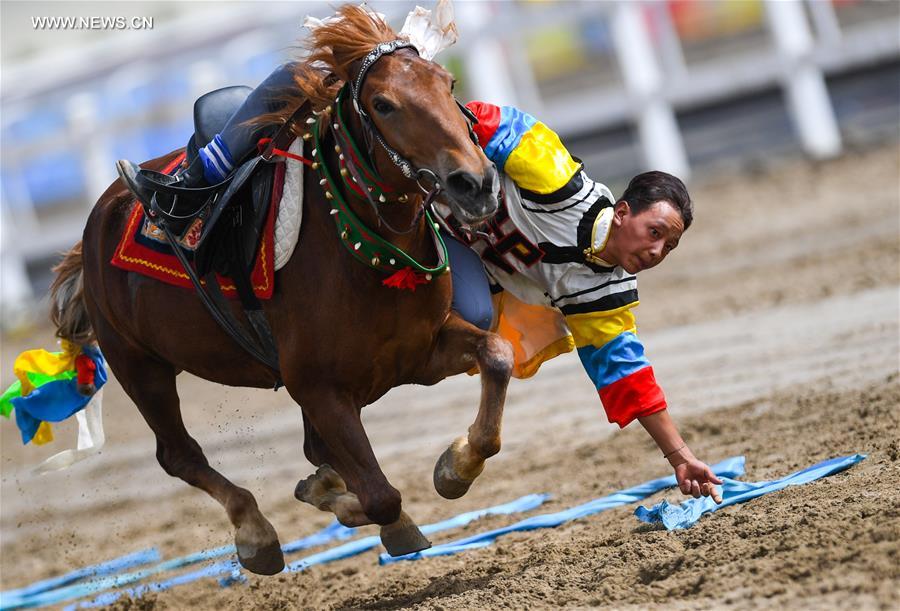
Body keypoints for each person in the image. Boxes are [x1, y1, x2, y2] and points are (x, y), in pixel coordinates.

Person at [116, 65, 723, 504]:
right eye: (654, 232)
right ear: (622, 211)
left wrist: (680, 457)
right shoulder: (551, 173)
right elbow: (472, 123)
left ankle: (329, 424)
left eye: (668, 245)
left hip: (443, 248)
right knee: (298, 79)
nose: (656, 250)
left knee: (472, 321)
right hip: (419, 207)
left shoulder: (604, 293)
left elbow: (628, 378)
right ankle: (198, 180)